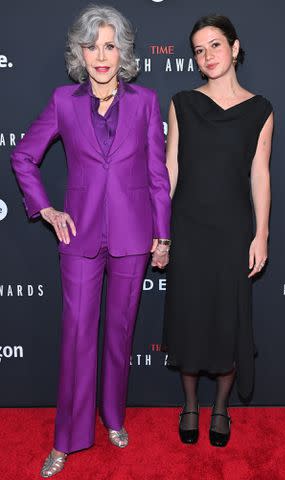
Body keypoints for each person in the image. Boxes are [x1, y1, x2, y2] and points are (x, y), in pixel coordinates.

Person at [11, 4, 170, 477]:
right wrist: (47, 209)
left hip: (133, 237)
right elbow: (23, 157)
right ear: (79, 52)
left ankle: (114, 418)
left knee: (119, 335)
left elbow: (157, 174)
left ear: (122, 52)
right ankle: (67, 438)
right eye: (92, 46)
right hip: (78, 236)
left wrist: (163, 235)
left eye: (110, 45)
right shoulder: (64, 101)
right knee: (77, 335)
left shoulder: (145, 102)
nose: (101, 56)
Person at [162, 14, 273, 447]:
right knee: (190, 317)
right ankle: (190, 404)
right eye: (198, 49)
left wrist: (261, 234)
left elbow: (260, 175)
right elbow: (170, 169)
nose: (207, 55)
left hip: (232, 231)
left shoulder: (260, 108)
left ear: (235, 47)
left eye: (214, 45)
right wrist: (161, 230)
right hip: (187, 228)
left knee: (228, 321)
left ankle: (222, 407)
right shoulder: (183, 102)